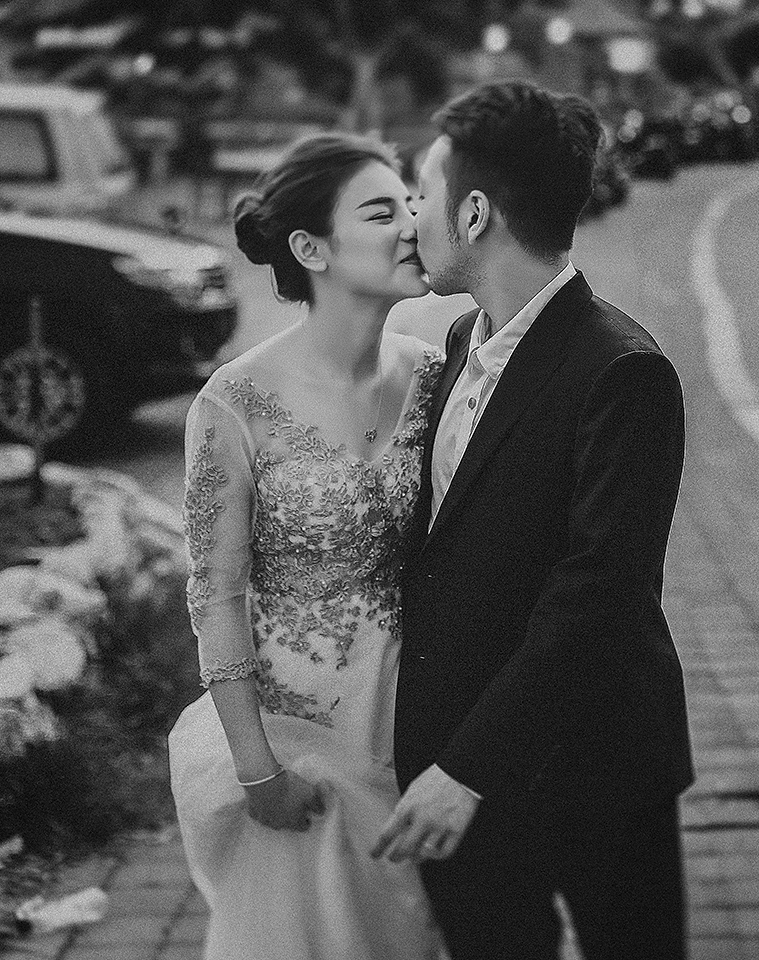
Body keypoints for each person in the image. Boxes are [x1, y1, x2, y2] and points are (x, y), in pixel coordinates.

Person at [372, 81, 695, 960]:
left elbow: (599, 599)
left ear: (474, 212)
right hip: (461, 764)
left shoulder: (622, 372)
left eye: (422, 193)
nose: (411, 215)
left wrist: (466, 769)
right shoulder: (455, 347)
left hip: (594, 765)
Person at [167, 132, 443, 960]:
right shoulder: (235, 403)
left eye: (411, 203)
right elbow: (215, 592)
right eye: (381, 212)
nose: (412, 224)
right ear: (311, 249)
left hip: (417, 712)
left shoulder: (437, 375)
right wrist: (258, 770)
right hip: (300, 735)